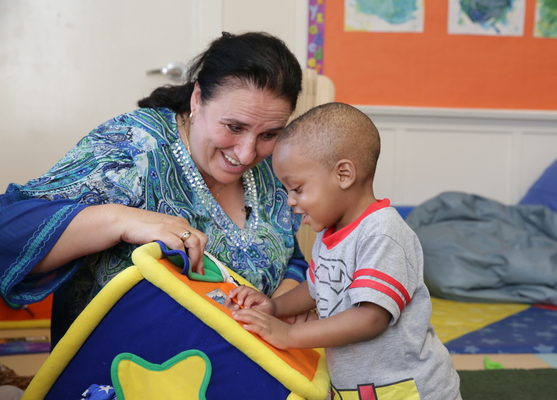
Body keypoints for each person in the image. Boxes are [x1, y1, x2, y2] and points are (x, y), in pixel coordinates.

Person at [0, 31, 310, 344]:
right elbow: (8, 233)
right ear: (198, 98)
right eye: (234, 127)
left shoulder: (272, 169)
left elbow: (289, 257)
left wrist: (276, 307)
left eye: (269, 134)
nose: (246, 153)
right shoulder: (134, 147)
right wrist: (121, 220)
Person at [229, 103, 462, 399]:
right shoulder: (331, 234)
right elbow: (315, 289)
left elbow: (371, 318)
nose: (290, 201)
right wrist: (274, 308)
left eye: (297, 188)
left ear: (343, 175)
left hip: (409, 390)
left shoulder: (383, 232)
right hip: (359, 388)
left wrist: (288, 335)